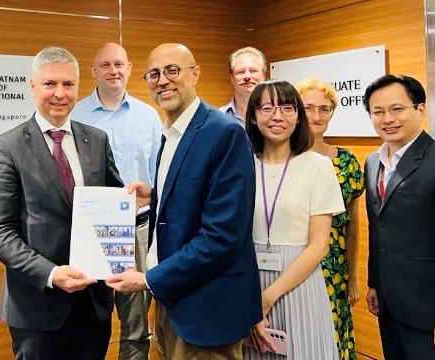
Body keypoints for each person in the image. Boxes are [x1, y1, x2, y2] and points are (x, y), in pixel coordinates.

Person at [105, 43, 261, 359]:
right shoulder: (172, 132)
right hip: (172, 303)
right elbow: (195, 196)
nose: (163, 81)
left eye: (172, 70)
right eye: (154, 74)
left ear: (195, 73)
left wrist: (149, 278)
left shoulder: (224, 132)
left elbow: (222, 237)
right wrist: (157, 196)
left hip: (207, 308)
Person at [0, 46, 123, 360]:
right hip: (37, 307)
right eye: (50, 84)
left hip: (93, 303)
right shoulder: (7, 147)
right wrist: (51, 273)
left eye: (68, 84)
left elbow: (112, 205)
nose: (60, 93)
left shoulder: (96, 140)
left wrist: (133, 201)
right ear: (33, 87)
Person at [363, 74, 435, 360]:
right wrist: (374, 283)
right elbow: (378, 229)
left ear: (421, 110)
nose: (387, 118)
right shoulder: (373, 162)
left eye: (397, 109)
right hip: (391, 309)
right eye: (378, 112)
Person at [71, 41, 162, 360]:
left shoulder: (149, 116)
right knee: (86, 319)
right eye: (106, 65)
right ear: (94, 71)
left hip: (138, 228)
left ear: (129, 69)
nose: (114, 70)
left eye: (120, 64)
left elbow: (157, 174)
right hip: (91, 230)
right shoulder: (74, 114)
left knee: (136, 323)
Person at [243, 79, 344, 359]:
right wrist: (254, 299)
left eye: (287, 108)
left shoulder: (317, 166)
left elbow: (319, 245)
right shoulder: (242, 164)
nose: (277, 116)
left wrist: (268, 297)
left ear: (298, 115)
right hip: (248, 277)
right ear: (252, 115)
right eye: (267, 108)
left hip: (298, 281)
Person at [295, 77, 365, 360]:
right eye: (308, 107)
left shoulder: (346, 161)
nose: (316, 115)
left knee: (333, 337)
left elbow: (353, 225)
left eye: (324, 109)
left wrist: (353, 276)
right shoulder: (281, 158)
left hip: (334, 267)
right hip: (294, 265)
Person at [220, 47, 268, 127]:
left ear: (263, 75)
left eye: (253, 71)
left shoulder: (277, 116)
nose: (247, 76)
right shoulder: (219, 118)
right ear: (231, 78)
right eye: (240, 72)